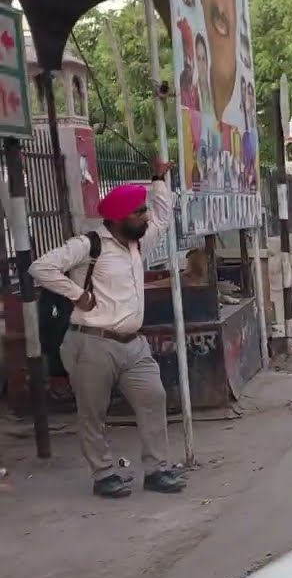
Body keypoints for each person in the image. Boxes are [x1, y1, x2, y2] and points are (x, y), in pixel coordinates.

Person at [28, 157, 186, 499]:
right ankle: (103, 474)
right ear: (117, 219)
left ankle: (157, 469)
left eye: (143, 210)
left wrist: (158, 179)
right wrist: (78, 294)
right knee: (92, 412)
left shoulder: (137, 243)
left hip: (133, 343)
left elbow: (163, 217)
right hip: (91, 342)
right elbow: (41, 267)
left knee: (153, 398)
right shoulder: (89, 245)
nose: (145, 217)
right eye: (137, 213)